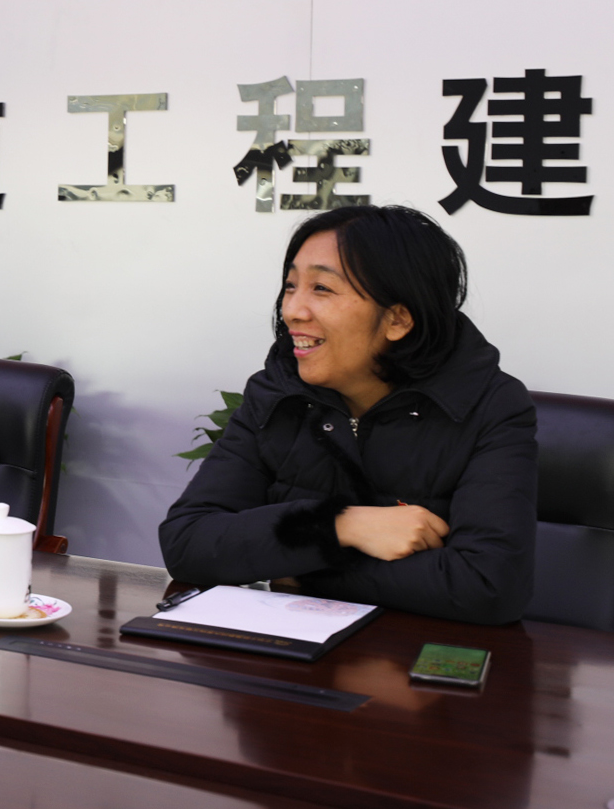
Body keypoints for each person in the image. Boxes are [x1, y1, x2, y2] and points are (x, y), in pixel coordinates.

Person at [157, 205, 537, 625]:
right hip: (293, 649)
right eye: (290, 286)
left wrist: (299, 569)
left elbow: (487, 586)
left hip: (411, 656)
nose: (292, 310)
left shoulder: (491, 406)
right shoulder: (277, 392)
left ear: (397, 319)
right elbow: (187, 543)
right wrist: (339, 527)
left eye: (321, 288)